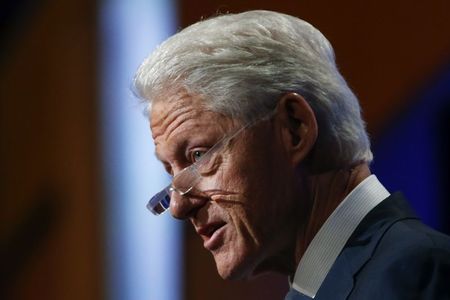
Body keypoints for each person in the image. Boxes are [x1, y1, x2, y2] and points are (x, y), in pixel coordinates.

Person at [134, 10, 450, 300]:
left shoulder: (416, 275)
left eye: (198, 156)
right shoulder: (323, 284)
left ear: (294, 128)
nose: (179, 206)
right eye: (170, 173)